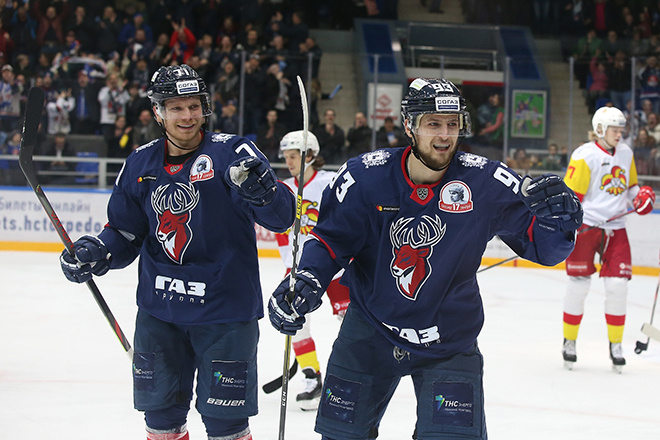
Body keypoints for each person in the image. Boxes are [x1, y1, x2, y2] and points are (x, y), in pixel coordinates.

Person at [268, 78, 582, 440]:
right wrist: (307, 277)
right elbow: (329, 241)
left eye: (452, 124)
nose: (445, 135)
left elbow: (544, 249)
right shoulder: (364, 177)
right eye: (433, 123)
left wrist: (558, 223)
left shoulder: (486, 181)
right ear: (409, 126)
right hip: (369, 333)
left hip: (449, 340)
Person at [58, 64, 295, 440]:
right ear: (158, 112)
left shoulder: (233, 152)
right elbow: (124, 233)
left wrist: (268, 193)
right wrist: (97, 251)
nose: (187, 116)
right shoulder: (139, 162)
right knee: (160, 420)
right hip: (160, 315)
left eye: (194, 106)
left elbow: (282, 218)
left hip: (225, 315)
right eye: (176, 108)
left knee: (226, 424)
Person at [561, 106, 656, 373]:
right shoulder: (584, 155)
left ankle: (616, 345)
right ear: (600, 129)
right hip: (587, 227)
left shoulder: (625, 153)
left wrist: (640, 196)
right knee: (578, 284)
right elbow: (572, 197)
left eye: (621, 129)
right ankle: (569, 340)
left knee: (617, 287)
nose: (619, 134)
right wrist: (568, 226)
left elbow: (631, 186)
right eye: (614, 129)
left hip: (617, 228)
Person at [275, 131, 350, 411]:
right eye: (286, 157)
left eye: (293, 156)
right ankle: (312, 378)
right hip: (300, 269)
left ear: (310, 155)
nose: (289, 162)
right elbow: (280, 229)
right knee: (294, 321)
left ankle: (350, 378)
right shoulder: (283, 189)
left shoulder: (330, 183)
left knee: (350, 323)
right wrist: (290, 263)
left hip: (337, 267)